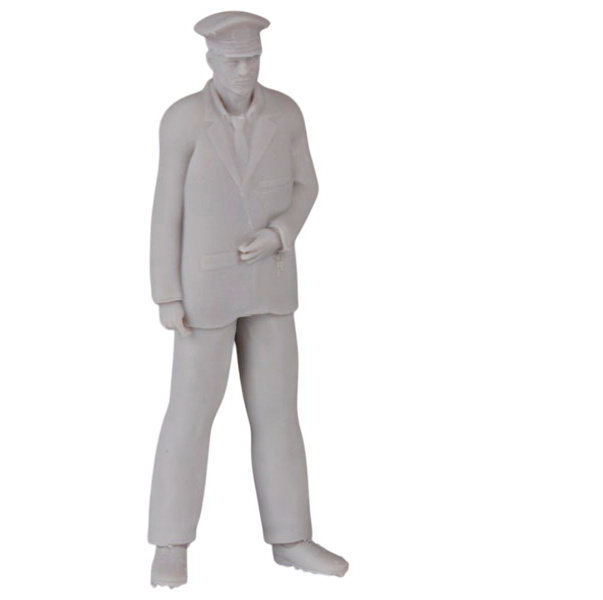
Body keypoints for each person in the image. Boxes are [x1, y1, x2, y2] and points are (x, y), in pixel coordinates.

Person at [148, 11, 348, 587]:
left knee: (279, 414)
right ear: (211, 60)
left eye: (252, 59)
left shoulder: (285, 113)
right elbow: (166, 211)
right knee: (190, 416)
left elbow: (308, 185)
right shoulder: (183, 120)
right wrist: (166, 293)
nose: (244, 70)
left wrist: (280, 232)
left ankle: (291, 536)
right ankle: (170, 541)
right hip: (204, 291)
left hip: (270, 284)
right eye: (233, 60)